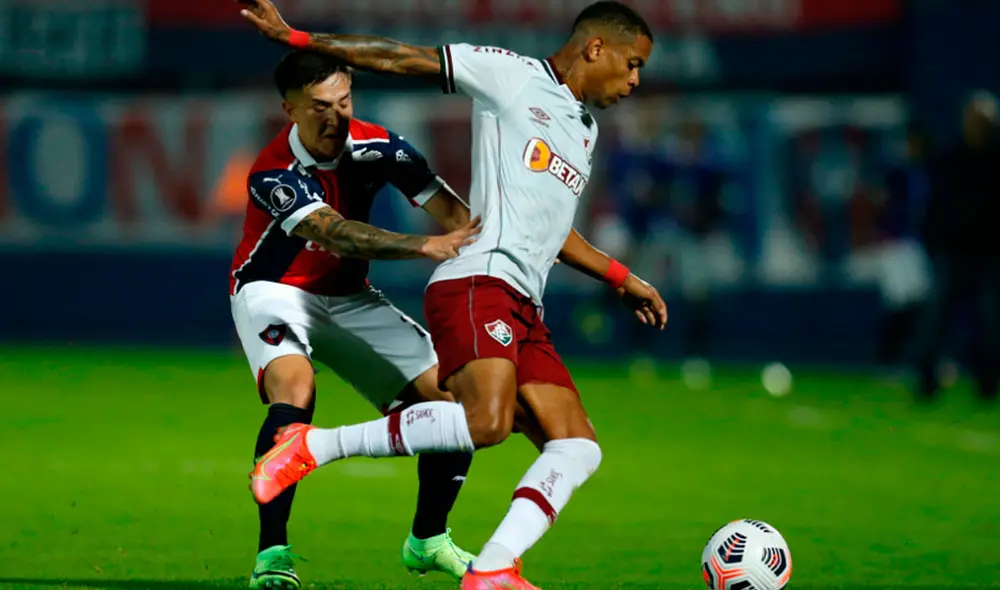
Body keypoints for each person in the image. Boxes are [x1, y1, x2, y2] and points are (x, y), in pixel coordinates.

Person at [238, 1, 667, 588]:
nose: (635, 80)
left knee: (573, 445)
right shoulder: (511, 76)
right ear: (596, 48)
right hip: (281, 289)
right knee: (471, 418)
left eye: (345, 102)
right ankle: (279, 536)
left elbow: (539, 224)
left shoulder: (582, 129)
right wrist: (299, 35)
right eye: (633, 63)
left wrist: (621, 276)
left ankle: (475, 561)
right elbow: (403, 61)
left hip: (495, 298)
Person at [231, 49, 483, 589]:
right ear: (290, 109)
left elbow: (457, 217)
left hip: (349, 295)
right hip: (275, 292)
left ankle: (429, 540)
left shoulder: (381, 147)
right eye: (320, 106)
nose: (336, 118)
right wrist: (425, 246)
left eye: (344, 102)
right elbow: (335, 231)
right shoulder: (273, 172)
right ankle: (272, 555)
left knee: (457, 406)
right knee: (295, 390)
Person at [912, 92, 1000, 402]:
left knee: (989, 319)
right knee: (935, 318)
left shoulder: (994, 162)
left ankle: (988, 382)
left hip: (989, 254)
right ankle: (926, 381)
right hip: (952, 251)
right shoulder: (952, 161)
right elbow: (936, 207)